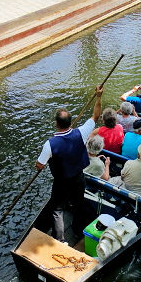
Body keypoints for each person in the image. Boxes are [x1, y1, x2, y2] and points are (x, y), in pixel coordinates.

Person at [35, 86, 104, 242]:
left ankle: (59, 239)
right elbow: (96, 116)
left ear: (56, 123)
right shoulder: (81, 132)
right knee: (79, 203)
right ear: (70, 122)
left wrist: (38, 164)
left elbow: (40, 165)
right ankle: (78, 230)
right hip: (79, 177)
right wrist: (99, 97)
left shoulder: (50, 144)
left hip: (61, 182)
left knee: (57, 210)